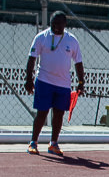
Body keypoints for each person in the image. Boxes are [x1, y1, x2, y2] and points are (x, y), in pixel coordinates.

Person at [24, 11, 86, 157]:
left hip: (63, 84)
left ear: (65, 24)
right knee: (42, 112)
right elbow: (32, 58)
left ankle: (53, 143)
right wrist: (28, 79)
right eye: (53, 23)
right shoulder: (41, 37)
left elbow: (78, 63)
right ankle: (33, 142)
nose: (56, 26)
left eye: (59, 24)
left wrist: (81, 82)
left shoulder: (72, 40)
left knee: (59, 114)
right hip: (44, 81)